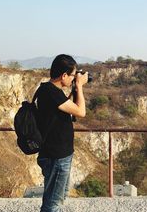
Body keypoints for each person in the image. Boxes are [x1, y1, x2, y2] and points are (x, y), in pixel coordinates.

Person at [36, 54, 88, 212]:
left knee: (59, 197)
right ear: (64, 75)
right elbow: (80, 112)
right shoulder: (51, 92)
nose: (74, 78)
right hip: (56, 157)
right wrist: (79, 86)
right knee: (53, 204)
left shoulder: (50, 91)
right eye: (72, 75)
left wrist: (74, 87)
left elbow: (67, 107)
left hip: (60, 155)